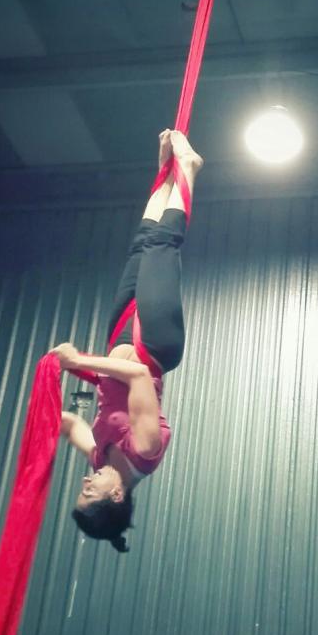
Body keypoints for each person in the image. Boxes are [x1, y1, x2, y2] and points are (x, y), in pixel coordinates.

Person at [51, 129, 203, 552]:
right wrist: (77, 360)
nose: (84, 483)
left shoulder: (99, 457)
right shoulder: (144, 452)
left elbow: (69, 424)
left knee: (140, 248)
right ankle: (188, 168)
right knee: (161, 246)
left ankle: (165, 173)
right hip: (154, 344)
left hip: (120, 338)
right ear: (116, 496)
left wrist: (41, 416)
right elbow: (136, 377)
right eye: (89, 494)